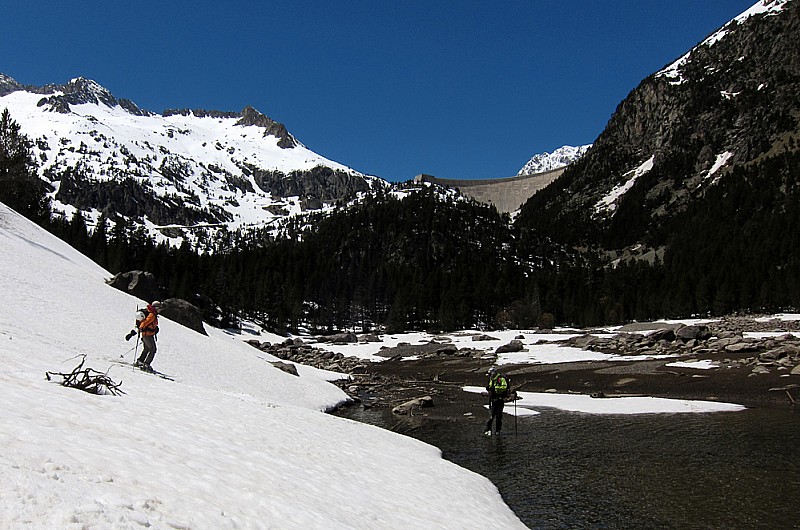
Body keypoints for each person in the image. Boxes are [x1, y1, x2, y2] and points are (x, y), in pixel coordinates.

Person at [135, 300, 162, 371]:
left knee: (146, 348)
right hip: (148, 335)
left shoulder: (152, 313)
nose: (160, 310)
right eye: (159, 308)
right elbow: (145, 322)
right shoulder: (152, 315)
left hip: (146, 335)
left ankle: (140, 361)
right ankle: (146, 364)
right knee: (153, 349)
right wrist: (141, 328)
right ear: (156, 308)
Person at [485, 366, 509, 436]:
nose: (489, 376)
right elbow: (490, 387)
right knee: (491, 416)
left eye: (490, 374)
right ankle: (488, 430)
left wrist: (495, 388)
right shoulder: (492, 380)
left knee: (498, 416)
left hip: (500, 400)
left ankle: (498, 430)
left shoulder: (501, 379)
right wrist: (489, 388)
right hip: (493, 400)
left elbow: (504, 387)